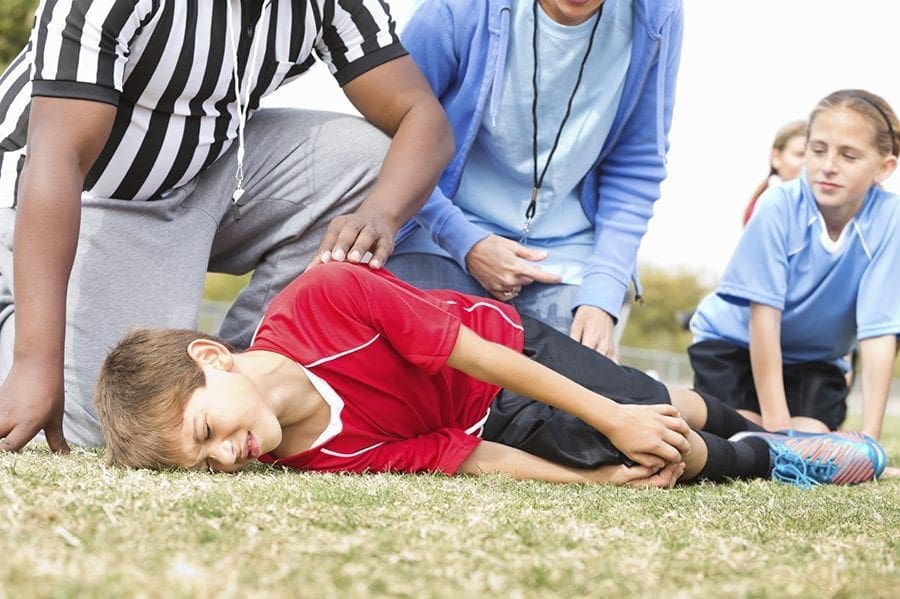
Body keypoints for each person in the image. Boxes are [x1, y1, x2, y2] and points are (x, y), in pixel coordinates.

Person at [0, 1, 454, 453]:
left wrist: (381, 215)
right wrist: (34, 364)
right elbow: (59, 157)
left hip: (209, 170)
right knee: (105, 426)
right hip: (87, 193)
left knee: (368, 164)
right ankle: (13, 310)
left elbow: (421, 115)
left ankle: (242, 374)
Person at [94, 262, 887, 490]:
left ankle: (754, 422)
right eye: (206, 464)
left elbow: (475, 357)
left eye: (205, 432)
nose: (227, 454)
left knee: (634, 403)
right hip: (480, 420)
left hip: (509, 350)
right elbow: (459, 452)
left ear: (212, 355)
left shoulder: (325, 300)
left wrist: (611, 414)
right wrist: (597, 476)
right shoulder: (308, 456)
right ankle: (778, 459)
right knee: (636, 452)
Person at [384, 0, 683, 361]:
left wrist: (602, 293)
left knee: (587, 395)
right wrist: (463, 239)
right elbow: (390, 134)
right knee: (419, 373)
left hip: (564, 256)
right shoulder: (459, 9)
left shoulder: (658, 14)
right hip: (439, 233)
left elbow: (637, 165)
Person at [689, 89, 900, 441]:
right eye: (817, 150)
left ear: (884, 167)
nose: (828, 166)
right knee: (747, 434)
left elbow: (879, 332)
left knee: (814, 436)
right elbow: (764, 317)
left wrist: (871, 440)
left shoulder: (891, 218)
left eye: (849, 155)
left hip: (814, 362)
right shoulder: (777, 205)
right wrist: (777, 427)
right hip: (734, 347)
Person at [743, 120, 808, 225]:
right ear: (776, 158)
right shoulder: (767, 203)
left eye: (815, 155)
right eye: (800, 154)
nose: (807, 163)